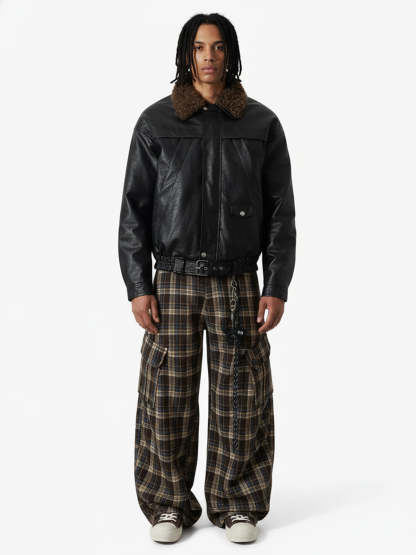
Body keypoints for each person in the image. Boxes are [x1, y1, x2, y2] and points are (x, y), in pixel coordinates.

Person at [118, 12, 296, 544]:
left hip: (238, 280)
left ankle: (238, 503)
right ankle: (168, 504)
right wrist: (138, 285)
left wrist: (276, 285)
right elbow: (134, 210)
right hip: (172, 279)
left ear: (231, 54)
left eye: (218, 47)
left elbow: (280, 212)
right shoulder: (156, 122)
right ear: (186, 55)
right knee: (167, 394)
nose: (209, 57)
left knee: (240, 393)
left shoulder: (261, 124)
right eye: (199, 47)